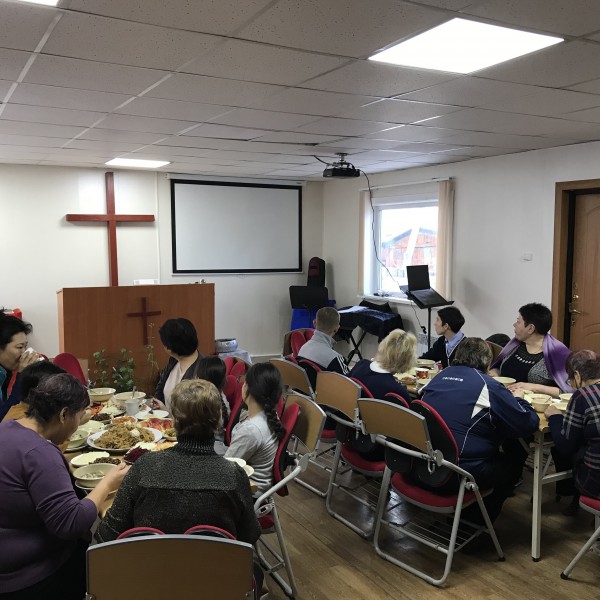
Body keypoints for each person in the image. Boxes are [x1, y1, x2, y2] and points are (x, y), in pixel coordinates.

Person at [0, 373, 128, 600]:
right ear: (63, 414)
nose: (77, 425)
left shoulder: (7, 428)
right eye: (78, 417)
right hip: (31, 575)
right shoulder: (39, 453)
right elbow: (71, 523)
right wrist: (108, 482)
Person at [96, 379, 259, 542]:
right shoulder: (234, 476)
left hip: (152, 558)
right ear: (218, 421)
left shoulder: (144, 468)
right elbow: (249, 537)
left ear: (173, 421)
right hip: (216, 559)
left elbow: (107, 535)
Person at [420, 337, 539, 523]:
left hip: (423, 464)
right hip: (457, 472)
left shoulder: (438, 377)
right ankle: (475, 521)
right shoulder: (488, 385)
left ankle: (468, 513)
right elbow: (527, 424)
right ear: (487, 362)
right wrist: (520, 399)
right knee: (513, 461)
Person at [545, 350, 600, 512]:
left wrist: (555, 417)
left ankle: (568, 492)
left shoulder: (582, 395)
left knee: (573, 448)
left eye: (570, 380)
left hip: (595, 484)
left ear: (577, 375)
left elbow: (565, 446)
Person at [225, 362, 285, 494]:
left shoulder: (251, 429)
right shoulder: (270, 414)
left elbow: (225, 469)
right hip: (251, 482)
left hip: (248, 491)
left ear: (246, 388)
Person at [490, 302, 571, 396]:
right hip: (505, 398)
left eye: (518, 322)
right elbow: (499, 367)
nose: (514, 324)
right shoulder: (514, 345)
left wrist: (534, 387)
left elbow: (568, 391)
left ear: (530, 328)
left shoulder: (558, 352)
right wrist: (495, 373)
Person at [349, 329, 416, 403]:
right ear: (406, 360)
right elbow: (410, 409)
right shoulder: (397, 390)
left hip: (350, 408)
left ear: (383, 346)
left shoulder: (361, 364)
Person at [151, 318, 203, 412]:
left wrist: (166, 412)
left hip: (184, 421)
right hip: (165, 418)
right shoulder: (174, 360)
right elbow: (161, 386)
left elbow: (196, 413)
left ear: (169, 348)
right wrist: (157, 403)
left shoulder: (203, 369)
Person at [0, 312, 41, 421]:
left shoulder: (4, 372)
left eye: (25, 347)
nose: (24, 353)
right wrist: (22, 377)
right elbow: (5, 419)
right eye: (19, 347)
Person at [296, 307, 348, 375]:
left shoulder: (302, 348)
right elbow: (349, 380)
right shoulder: (335, 358)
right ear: (337, 328)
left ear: (314, 323)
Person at [196, 356, 230, 455]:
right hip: (213, 444)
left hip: (209, 449)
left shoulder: (207, 404)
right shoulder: (220, 396)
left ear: (200, 379)